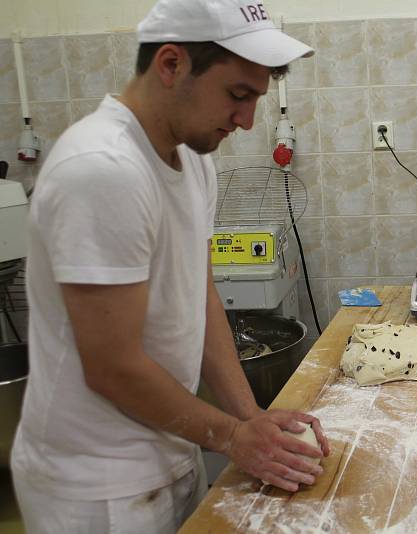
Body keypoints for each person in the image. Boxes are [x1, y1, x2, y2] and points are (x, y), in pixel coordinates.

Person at [11, 1, 330, 532]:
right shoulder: (101, 169)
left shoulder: (194, 160)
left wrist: (249, 419)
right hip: (98, 486)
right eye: (238, 95)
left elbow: (198, 297)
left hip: (170, 448)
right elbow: (111, 365)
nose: (248, 120)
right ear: (171, 64)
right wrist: (231, 437)